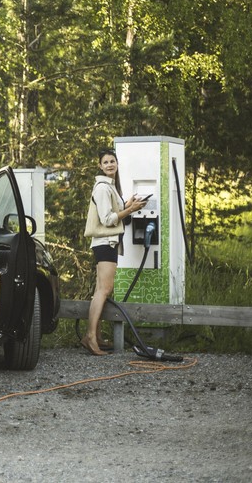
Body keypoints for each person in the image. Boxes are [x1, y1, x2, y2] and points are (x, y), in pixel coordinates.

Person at [81, 148, 147, 356]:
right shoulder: (102, 188)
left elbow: (113, 212)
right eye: (106, 162)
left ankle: (96, 336)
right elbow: (108, 219)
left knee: (100, 290)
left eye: (113, 161)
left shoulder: (110, 187)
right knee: (104, 290)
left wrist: (126, 204)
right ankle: (91, 337)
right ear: (100, 166)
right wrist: (130, 210)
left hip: (107, 242)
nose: (110, 164)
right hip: (105, 242)